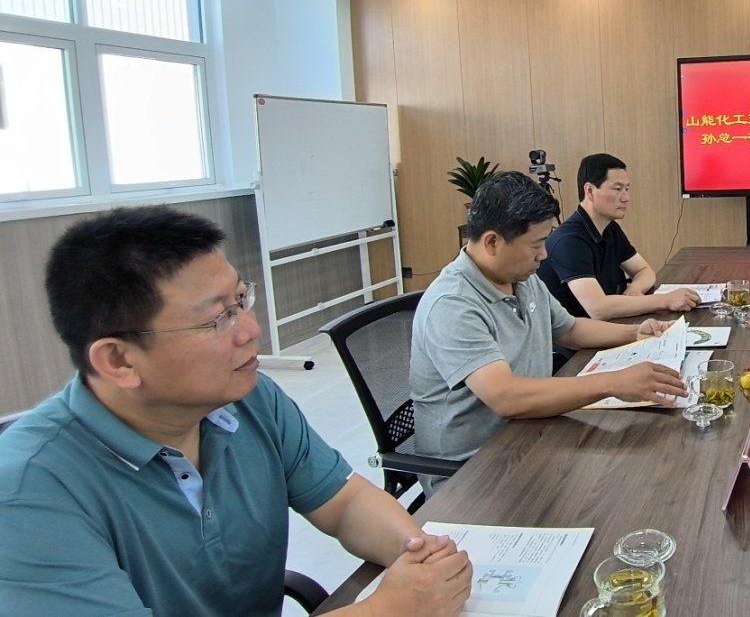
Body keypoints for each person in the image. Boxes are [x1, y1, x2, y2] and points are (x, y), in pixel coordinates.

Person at [0, 206, 473, 616]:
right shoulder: (29, 495)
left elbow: (344, 503)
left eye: (240, 300)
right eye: (218, 318)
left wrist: (421, 553)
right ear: (119, 361)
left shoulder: (250, 399)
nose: (250, 330)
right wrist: (386, 609)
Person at [411, 171, 688, 488]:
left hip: (534, 435)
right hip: (474, 472)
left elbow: (569, 329)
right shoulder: (452, 304)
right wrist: (612, 383)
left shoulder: (521, 277)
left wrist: (636, 333)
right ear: (492, 242)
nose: (544, 255)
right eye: (537, 244)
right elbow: (506, 398)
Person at [538, 153, 700, 320]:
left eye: (627, 189)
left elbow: (644, 271)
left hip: (610, 325)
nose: (626, 198)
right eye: (617, 189)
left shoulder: (610, 228)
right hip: (579, 335)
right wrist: (665, 300)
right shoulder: (568, 241)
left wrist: (635, 290)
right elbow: (598, 309)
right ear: (590, 191)